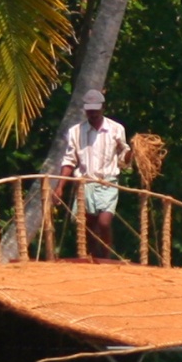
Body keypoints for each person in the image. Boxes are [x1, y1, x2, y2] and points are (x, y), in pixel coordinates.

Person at [56, 90, 132, 261]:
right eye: (89, 110)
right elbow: (69, 160)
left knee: (104, 222)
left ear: (103, 108)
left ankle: (105, 255)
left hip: (108, 182)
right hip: (86, 183)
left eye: (96, 109)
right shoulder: (76, 131)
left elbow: (123, 158)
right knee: (86, 224)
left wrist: (131, 153)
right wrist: (60, 186)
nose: (93, 113)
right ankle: (91, 256)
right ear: (85, 110)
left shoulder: (115, 129)